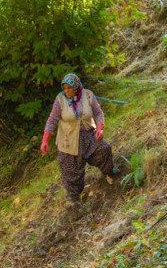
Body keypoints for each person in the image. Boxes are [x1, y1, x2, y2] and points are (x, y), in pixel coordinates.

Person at [40, 73, 119, 205]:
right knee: (70, 167)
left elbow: (98, 113)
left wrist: (99, 129)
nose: (66, 91)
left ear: (76, 87)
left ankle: (108, 172)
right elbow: (52, 120)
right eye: (64, 88)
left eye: (69, 88)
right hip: (68, 139)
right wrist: (45, 141)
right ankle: (74, 197)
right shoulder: (60, 99)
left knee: (103, 148)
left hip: (89, 134)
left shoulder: (88, 95)